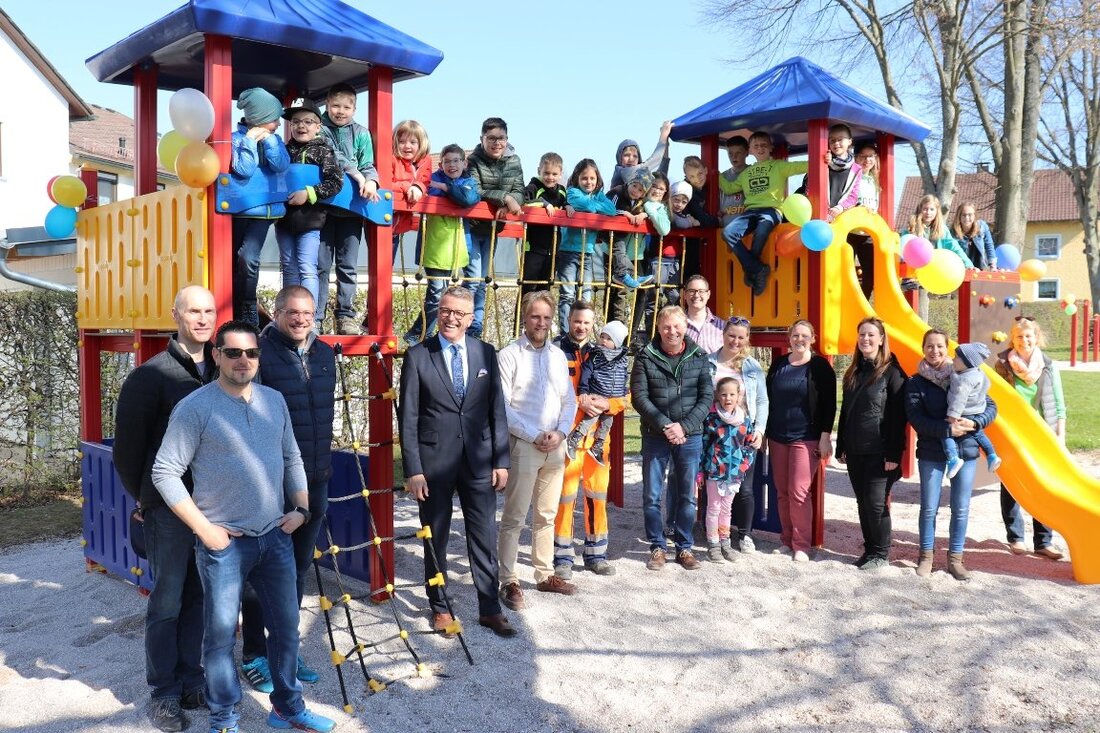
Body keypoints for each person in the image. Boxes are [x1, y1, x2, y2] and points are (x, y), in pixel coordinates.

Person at [151, 320, 335, 733]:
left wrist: (302, 509)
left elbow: (292, 458)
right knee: (219, 639)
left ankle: (286, 707)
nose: (243, 360)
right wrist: (204, 529)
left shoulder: (274, 400)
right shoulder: (195, 407)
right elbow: (164, 472)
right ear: (216, 355)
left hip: (276, 537)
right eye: (232, 352)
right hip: (225, 544)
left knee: (287, 629)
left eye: (251, 353)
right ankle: (224, 718)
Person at [113, 286, 217, 732]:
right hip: (168, 508)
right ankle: (165, 692)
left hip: (214, 505)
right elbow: (128, 452)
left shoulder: (224, 369)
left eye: (209, 311)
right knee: (168, 599)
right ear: (175, 315)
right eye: (193, 310)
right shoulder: (149, 377)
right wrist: (144, 498)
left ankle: (193, 678)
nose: (202, 318)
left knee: (199, 596)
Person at [397, 286, 516, 637]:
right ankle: (439, 606)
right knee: (436, 535)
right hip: (433, 465)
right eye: (446, 310)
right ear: (438, 312)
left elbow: (496, 410)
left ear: (470, 318)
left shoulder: (485, 353)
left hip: (479, 462)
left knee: (483, 535)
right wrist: (413, 469)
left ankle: (489, 608)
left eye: (459, 313)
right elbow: (409, 417)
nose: (451, 318)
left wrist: (501, 460)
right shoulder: (419, 355)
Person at [238, 285, 336, 694]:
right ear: (276, 313)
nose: (300, 319)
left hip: (315, 480)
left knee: (296, 570)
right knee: (263, 573)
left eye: (307, 312)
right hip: (274, 483)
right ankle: (254, 654)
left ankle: (286, 650)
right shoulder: (261, 355)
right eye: (292, 312)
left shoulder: (326, 354)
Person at [496, 291, 578, 611]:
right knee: (515, 516)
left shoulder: (557, 356)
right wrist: (534, 435)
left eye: (546, 317)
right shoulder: (509, 355)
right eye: (535, 316)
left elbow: (568, 400)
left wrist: (560, 433)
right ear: (525, 318)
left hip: (555, 445)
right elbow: (502, 406)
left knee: (546, 514)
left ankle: (544, 574)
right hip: (524, 445)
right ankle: (509, 580)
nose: (541, 323)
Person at [905, 328, 997, 580]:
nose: (934, 351)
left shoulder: (965, 373)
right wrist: (947, 428)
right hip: (932, 450)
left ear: (947, 349)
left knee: (961, 507)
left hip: (966, 449)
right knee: (929, 507)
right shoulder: (916, 382)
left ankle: (955, 559)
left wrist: (976, 423)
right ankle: (926, 556)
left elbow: (990, 406)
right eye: (929, 346)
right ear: (923, 349)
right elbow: (916, 418)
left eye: (939, 346)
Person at [631, 305, 714, 571]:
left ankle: (684, 547)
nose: (672, 331)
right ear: (658, 328)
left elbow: (706, 397)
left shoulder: (698, 356)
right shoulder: (645, 356)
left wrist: (684, 427)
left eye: (677, 326)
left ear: (685, 328)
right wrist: (666, 424)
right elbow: (639, 397)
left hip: (689, 436)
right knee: (652, 494)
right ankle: (657, 546)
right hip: (656, 434)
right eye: (666, 326)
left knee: (687, 496)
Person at [553, 301, 622, 577]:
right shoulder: (555, 351)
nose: (581, 327)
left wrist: (607, 405)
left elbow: (622, 395)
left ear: (594, 325)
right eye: (577, 321)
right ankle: (562, 556)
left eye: (587, 322)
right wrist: (582, 404)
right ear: (569, 320)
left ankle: (596, 553)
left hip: (596, 442)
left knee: (597, 495)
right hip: (567, 436)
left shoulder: (604, 353)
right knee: (565, 496)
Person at [835, 317, 907, 570]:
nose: (866, 339)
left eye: (871, 335)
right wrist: (840, 445)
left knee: (876, 503)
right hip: (855, 449)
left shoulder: (893, 373)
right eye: (862, 334)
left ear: (881, 339)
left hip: (880, 450)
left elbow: (898, 418)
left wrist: (894, 453)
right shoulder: (853, 371)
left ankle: (881, 553)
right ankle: (869, 550)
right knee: (862, 502)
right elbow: (845, 412)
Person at [994, 317, 1066, 560]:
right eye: (1018, 336)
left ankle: (1043, 540)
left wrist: (1060, 437)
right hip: (1013, 434)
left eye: (1028, 336)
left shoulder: (1046, 365)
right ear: (1012, 339)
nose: (1024, 341)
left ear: (1036, 338)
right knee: (1012, 484)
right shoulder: (1003, 365)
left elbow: (1057, 404)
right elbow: (998, 401)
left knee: (1044, 484)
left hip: (1040, 434)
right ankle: (1016, 538)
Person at [765, 320, 836, 563]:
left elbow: (829, 404)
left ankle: (802, 545)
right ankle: (786, 541)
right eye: (795, 335)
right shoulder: (778, 365)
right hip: (777, 436)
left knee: (798, 493)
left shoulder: (820, 367)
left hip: (806, 438)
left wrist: (825, 436)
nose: (799, 339)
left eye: (804, 335)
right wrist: (764, 433)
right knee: (783, 492)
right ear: (789, 338)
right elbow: (769, 401)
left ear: (813, 338)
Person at [317, 83, 381, 334]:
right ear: (327, 105)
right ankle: (317, 315)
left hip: (352, 210)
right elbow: (332, 156)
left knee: (348, 265)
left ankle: (345, 315)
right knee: (321, 264)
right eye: (335, 105)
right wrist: (358, 176)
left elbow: (368, 163)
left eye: (346, 106)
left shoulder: (361, 133)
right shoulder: (319, 128)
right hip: (324, 206)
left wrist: (372, 180)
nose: (340, 111)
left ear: (354, 108)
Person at [403, 144, 479, 345]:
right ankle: (421, 334)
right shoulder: (433, 178)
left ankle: (424, 332)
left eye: (456, 161)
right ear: (441, 164)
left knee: (445, 294)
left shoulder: (468, 181)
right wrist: (449, 192)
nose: (451, 165)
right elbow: (430, 193)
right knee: (436, 294)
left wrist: (446, 188)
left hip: (454, 248)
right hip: (434, 246)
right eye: (446, 161)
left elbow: (468, 198)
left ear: (464, 163)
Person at [719, 131, 808, 295]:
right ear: (751, 150)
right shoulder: (746, 173)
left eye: (764, 145)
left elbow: (804, 166)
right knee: (728, 233)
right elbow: (729, 188)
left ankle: (751, 270)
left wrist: (823, 159)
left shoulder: (778, 166)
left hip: (772, 210)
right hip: (751, 211)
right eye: (756, 146)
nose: (760, 148)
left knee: (762, 228)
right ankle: (758, 268)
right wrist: (714, 174)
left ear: (770, 148)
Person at [275, 99, 344, 312]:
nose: (301, 126)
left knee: (306, 267)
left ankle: (310, 315)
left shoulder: (323, 151)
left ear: (318, 126)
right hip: (284, 219)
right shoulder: (283, 151)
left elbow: (336, 181)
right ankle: (289, 312)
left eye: (307, 121)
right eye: (295, 122)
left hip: (310, 220)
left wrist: (309, 193)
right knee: (288, 267)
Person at [230, 88, 290, 327]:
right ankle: (233, 303)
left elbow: (281, 165)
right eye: (274, 118)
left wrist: (272, 142)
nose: (277, 123)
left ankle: (246, 304)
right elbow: (243, 170)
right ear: (259, 117)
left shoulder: (275, 140)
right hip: (239, 209)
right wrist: (249, 142)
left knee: (248, 257)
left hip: (263, 211)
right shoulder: (236, 139)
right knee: (231, 259)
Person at [707, 316, 768, 552]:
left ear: (747, 340)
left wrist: (760, 429)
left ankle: (744, 534)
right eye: (732, 335)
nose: (736, 341)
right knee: (713, 485)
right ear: (723, 335)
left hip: (743, 433)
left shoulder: (751, 366)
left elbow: (761, 400)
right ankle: (714, 532)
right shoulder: (709, 363)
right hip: (716, 433)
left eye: (741, 337)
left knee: (744, 487)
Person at [464, 117, 524, 338]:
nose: (497, 143)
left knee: (483, 278)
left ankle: (476, 324)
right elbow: (475, 190)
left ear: (507, 140)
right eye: (491, 138)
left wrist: (509, 203)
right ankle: (468, 323)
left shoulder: (513, 161)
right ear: (482, 139)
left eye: (501, 138)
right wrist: (505, 198)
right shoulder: (473, 161)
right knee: (473, 277)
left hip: (493, 228)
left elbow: (520, 191)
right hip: (473, 226)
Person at [700, 377, 757, 562]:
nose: (728, 398)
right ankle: (713, 544)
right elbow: (703, 445)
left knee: (727, 509)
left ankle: (725, 542)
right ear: (717, 396)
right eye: (723, 394)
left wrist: (744, 465)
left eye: (732, 394)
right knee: (713, 508)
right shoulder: (711, 420)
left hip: (734, 473)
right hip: (715, 471)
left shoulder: (744, 420)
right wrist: (700, 470)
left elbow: (749, 446)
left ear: (739, 396)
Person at [557, 158, 618, 329]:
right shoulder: (572, 193)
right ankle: (565, 330)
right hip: (569, 250)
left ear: (597, 179)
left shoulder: (598, 195)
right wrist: (593, 207)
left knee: (586, 293)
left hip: (588, 251)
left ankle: (583, 329)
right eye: (584, 178)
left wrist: (593, 205)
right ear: (577, 179)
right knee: (568, 293)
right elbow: (583, 204)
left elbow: (611, 210)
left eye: (592, 178)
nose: (589, 182)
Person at [565, 320, 629, 464]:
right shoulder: (596, 355)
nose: (604, 341)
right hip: (596, 392)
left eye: (609, 339)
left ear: (617, 343)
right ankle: (574, 438)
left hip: (612, 397)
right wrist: (584, 390)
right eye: (602, 337)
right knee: (592, 416)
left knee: (608, 421)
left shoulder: (622, 360)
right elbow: (586, 373)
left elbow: (624, 375)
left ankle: (597, 445)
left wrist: (623, 390)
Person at [904, 195, 973, 320]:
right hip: (914, 275)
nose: (928, 213)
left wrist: (968, 264)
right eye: (925, 209)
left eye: (932, 209)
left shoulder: (942, 229)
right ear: (920, 209)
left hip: (930, 275)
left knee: (923, 310)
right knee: (913, 310)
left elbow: (954, 247)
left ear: (937, 212)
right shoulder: (912, 227)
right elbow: (904, 246)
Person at [942, 342, 1001, 478]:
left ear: (967, 361)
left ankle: (953, 458)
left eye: (956, 357)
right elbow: (987, 385)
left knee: (946, 433)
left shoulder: (964, 380)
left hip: (963, 413)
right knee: (979, 434)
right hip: (976, 412)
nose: (953, 359)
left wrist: (952, 416)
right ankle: (992, 455)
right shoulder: (978, 373)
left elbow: (959, 399)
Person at [521, 152, 568, 295]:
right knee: (528, 287)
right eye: (546, 173)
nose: (550, 177)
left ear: (560, 174)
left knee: (545, 288)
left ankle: (543, 316)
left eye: (554, 174)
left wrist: (568, 206)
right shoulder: (534, 187)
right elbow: (524, 202)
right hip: (533, 247)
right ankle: (522, 317)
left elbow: (564, 203)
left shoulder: (561, 190)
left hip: (553, 248)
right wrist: (543, 203)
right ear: (539, 171)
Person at [389, 119, 433, 268]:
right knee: (384, 261)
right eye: (402, 141)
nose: (407, 146)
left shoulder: (424, 161)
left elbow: (425, 180)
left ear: (421, 145)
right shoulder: (392, 159)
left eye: (413, 142)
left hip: (401, 221)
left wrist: (419, 187)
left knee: (389, 261)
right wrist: (406, 186)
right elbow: (385, 182)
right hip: (385, 218)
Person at [847, 143, 881, 301]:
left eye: (871, 156)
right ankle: (847, 302)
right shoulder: (851, 177)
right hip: (850, 232)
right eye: (863, 156)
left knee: (872, 274)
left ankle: (862, 304)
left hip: (867, 233)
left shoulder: (875, 180)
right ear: (856, 158)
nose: (867, 160)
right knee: (847, 272)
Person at [681, 156, 720, 279]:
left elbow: (702, 220)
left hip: (697, 237)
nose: (697, 179)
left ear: (706, 170)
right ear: (687, 177)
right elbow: (703, 218)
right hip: (686, 238)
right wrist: (718, 221)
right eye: (692, 176)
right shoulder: (688, 192)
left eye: (700, 174)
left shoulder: (706, 189)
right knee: (690, 270)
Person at [608, 120, 673, 193]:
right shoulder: (623, 172)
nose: (631, 159)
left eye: (635, 156)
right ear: (619, 157)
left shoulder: (639, 175)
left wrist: (666, 145)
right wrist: (663, 135)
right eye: (626, 155)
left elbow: (660, 175)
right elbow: (655, 160)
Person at [820, 124, 862, 223]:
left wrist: (840, 208)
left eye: (840, 139)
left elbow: (853, 195)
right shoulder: (824, 161)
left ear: (849, 141)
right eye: (832, 140)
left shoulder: (856, 169)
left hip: (842, 216)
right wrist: (823, 161)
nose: (836, 143)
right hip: (822, 214)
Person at [681, 274, 726, 354]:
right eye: (692, 291)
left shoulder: (722, 327)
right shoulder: (676, 325)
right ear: (684, 294)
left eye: (701, 291)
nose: (696, 295)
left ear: (708, 294)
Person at [952, 203, 998, 271]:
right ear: (959, 216)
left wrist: (992, 265)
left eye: (970, 215)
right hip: (961, 268)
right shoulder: (953, 232)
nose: (967, 218)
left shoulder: (982, 226)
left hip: (981, 267)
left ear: (974, 216)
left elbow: (989, 245)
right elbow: (953, 252)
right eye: (964, 215)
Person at [719, 136, 750, 227]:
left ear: (747, 152)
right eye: (730, 153)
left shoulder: (753, 173)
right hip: (725, 228)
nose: (734, 157)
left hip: (748, 228)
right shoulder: (722, 177)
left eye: (738, 153)